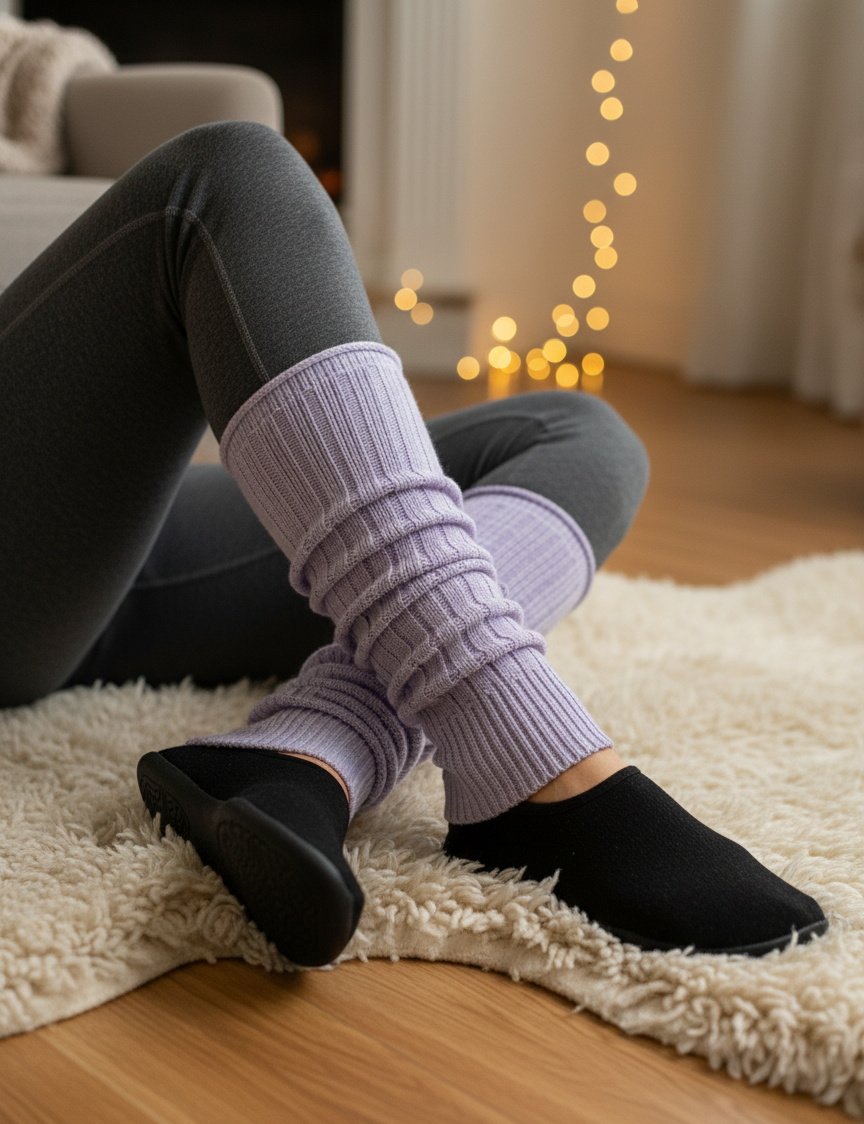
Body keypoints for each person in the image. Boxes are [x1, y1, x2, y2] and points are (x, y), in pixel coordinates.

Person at [0, 122, 826, 967]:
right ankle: (520, 742)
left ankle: (303, 749)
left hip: (100, 534)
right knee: (225, 179)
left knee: (582, 436)